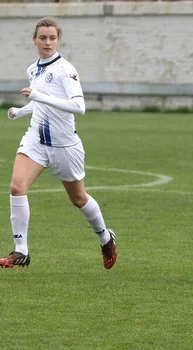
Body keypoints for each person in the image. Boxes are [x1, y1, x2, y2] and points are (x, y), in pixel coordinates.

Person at [2, 17, 117, 269]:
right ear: (34, 40)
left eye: (52, 38)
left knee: (78, 199)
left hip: (64, 145)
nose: (47, 42)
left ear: (58, 40)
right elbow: (39, 101)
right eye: (42, 37)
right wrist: (20, 112)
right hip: (36, 139)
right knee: (16, 187)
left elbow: (79, 106)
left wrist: (40, 95)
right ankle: (21, 251)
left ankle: (105, 236)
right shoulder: (33, 69)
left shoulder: (66, 70)